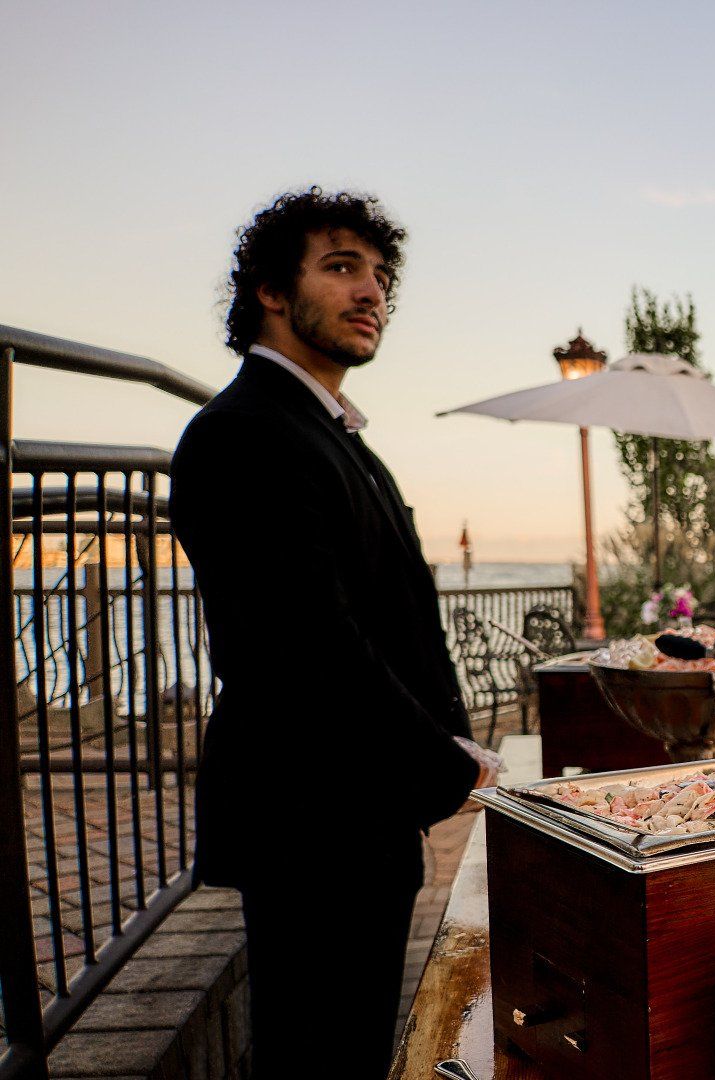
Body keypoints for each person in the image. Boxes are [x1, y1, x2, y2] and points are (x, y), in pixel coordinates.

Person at [170, 189, 497, 1078]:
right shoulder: (242, 434)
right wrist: (446, 761)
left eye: (381, 276)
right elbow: (309, 645)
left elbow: (389, 617)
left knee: (349, 1048)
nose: (372, 294)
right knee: (319, 1056)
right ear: (274, 290)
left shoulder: (326, 433)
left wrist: (445, 742)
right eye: (342, 267)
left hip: (358, 814)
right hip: (309, 817)